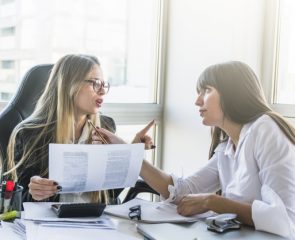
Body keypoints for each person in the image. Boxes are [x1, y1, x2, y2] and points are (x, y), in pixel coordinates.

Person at [94, 61, 295, 238]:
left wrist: (212, 201)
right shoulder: (227, 148)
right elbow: (183, 191)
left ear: (232, 92)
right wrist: (127, 152)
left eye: (206, 90)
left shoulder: (265, 129)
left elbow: (285, 219)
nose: (197, 101)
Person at [4, 54, 153, 203]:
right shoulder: (29, 133)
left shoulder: (106, 127)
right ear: (69, 85)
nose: (102, 91)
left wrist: (130, 151)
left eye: (103, 84)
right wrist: (34, 191)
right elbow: (14, 200)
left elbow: (110, 194)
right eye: (95, 83)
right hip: (51, 223)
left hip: (96, 222)